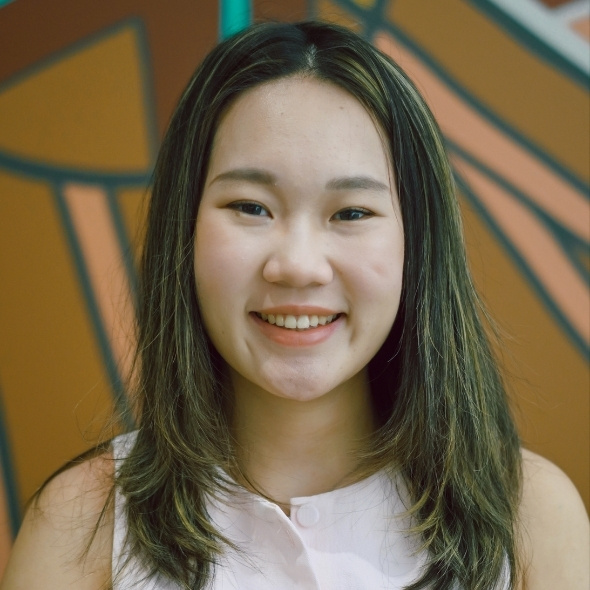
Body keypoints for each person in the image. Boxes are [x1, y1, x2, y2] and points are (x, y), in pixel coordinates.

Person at [1, 20, 588, 590]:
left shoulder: (528, 514)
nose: (299, 266)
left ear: (418, 244)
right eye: (251, 207)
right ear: (185, 230)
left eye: (352, 213)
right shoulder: (84, 524)